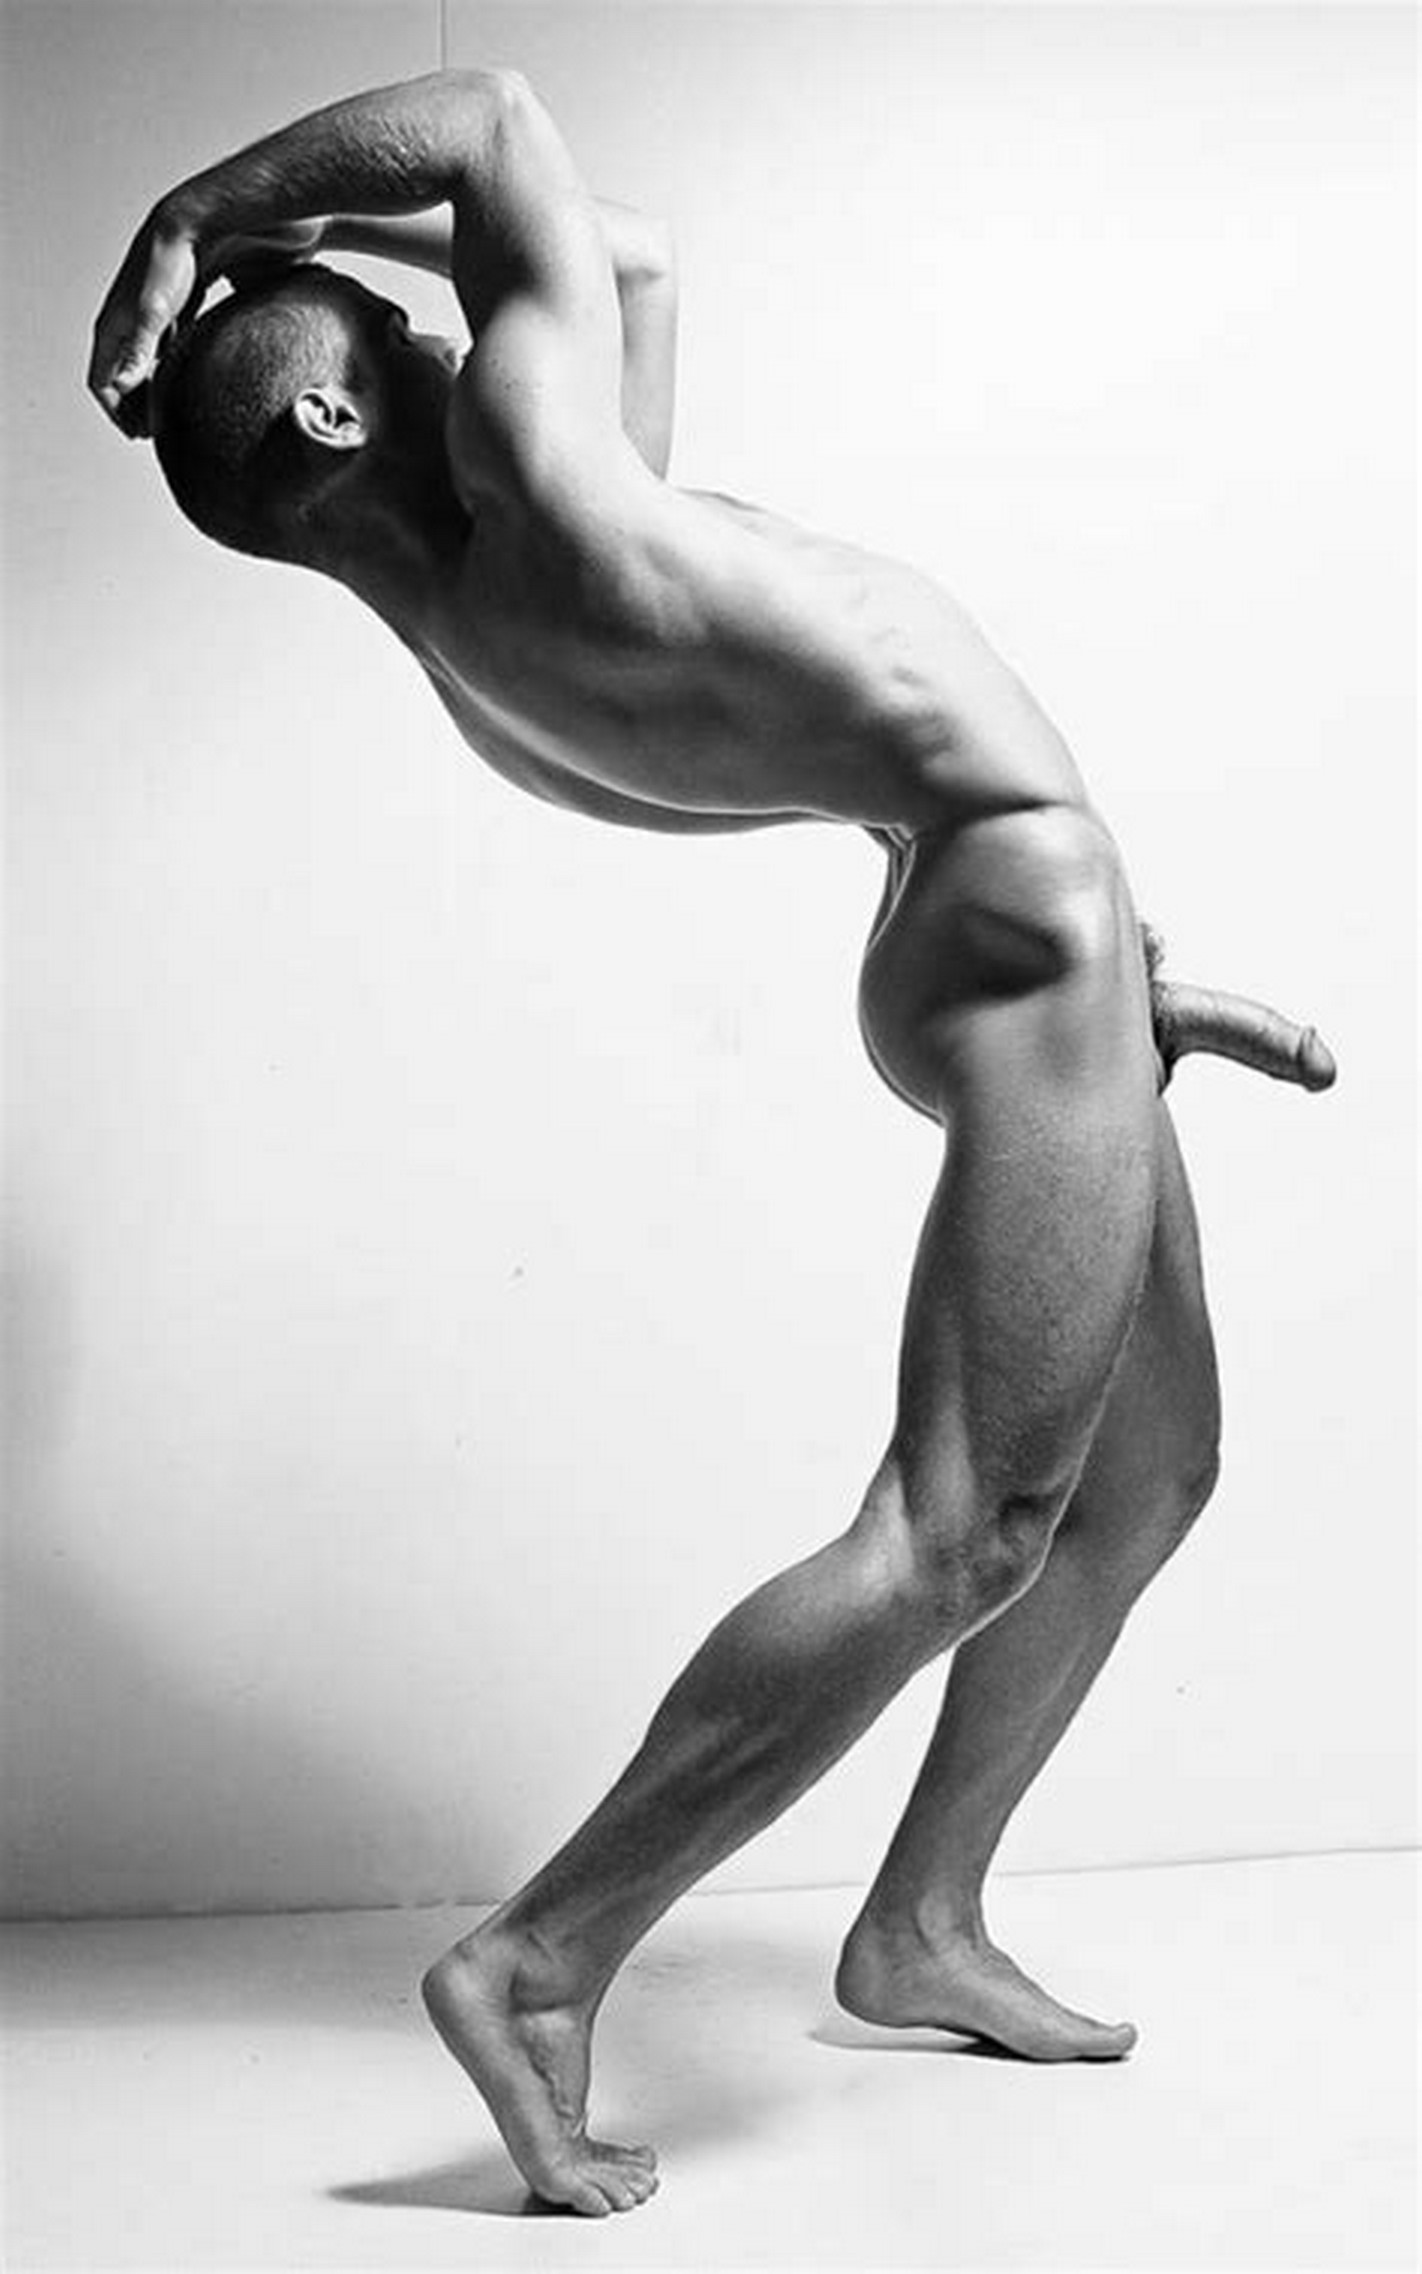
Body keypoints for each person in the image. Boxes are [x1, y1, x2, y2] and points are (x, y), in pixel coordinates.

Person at [89, 68, 1335, 2219]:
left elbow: (629, 254)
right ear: (337, 419)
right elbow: (493, 124)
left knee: (1150, 1471)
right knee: (964, 1528)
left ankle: (919, 1921)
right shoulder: (539, 482)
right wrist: (204, 214)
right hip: (1017, 940)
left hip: (991, 933)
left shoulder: (491, 611)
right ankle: (539, 1959)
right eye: (396, 326)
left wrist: (321, 263)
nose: (450, 316)